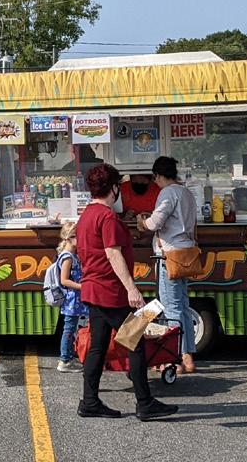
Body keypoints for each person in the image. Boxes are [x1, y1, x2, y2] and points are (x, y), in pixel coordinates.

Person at [76, 162, 177, 421]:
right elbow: (113, 253)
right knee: (136, 340)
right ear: (113, 188)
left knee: (97, 347)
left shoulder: (86, 215)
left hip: (93, 288)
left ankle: (90, 401)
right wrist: (131, 289)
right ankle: (145, 403)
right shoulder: (107, 217)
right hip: (111, 291)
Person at [139, 155, 199, 374]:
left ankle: (175, 358)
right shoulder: (186, 193)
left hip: (169, 256)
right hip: (186, 254)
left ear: (157, 176)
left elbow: (155, 223)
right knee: (183, 306)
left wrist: (142, 221)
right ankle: (188, 356)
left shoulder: (167, 193)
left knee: (170, 308)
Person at [54, 221, 86, 372]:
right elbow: (64, 280)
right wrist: (82, 286)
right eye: (78, 236)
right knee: (69, 329)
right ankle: (64, 360)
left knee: (71, 329)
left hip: (75, 299)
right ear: (68, 238)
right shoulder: (67, 257)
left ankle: (68, 358)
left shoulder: (72, 255)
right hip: (72, 300)